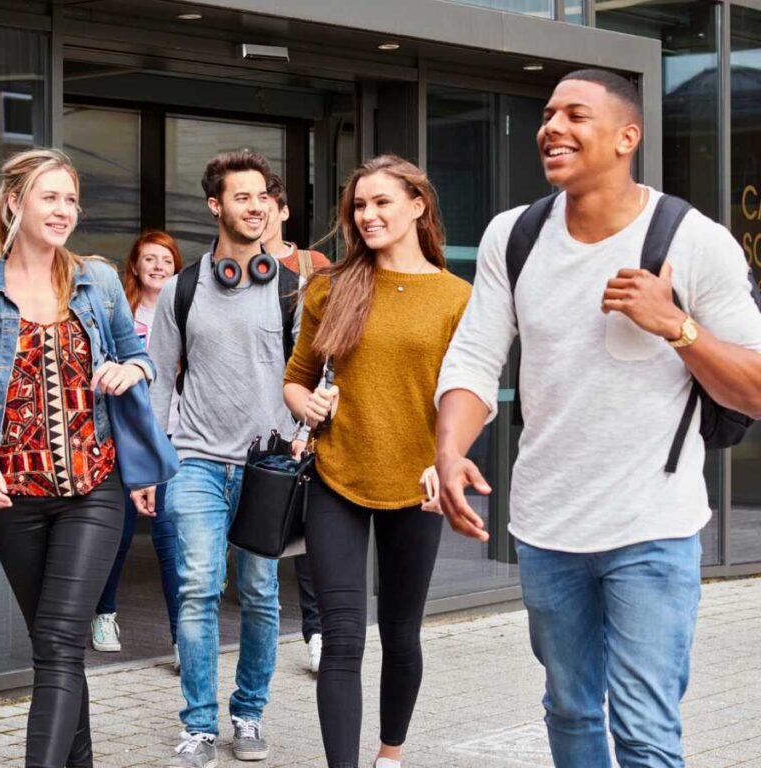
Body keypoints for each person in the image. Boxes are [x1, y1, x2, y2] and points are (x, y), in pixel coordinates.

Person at [435, 69, 761, 768]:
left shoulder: (693, 241)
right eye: (548, 114)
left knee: (644, 729)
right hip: (547, 526)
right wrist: (450, 448)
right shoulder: (513, 237)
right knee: (572, 709)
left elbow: (756, 387)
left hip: (653, 529)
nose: (551, 127)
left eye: (575, 115)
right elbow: (473, 358)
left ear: (625, 137)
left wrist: (678, 327)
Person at [0, 148, 155, 768]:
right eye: (50, 197)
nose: (64, 210)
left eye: (70, 199)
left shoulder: (97, 279)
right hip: (12, 496)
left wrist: (128, 368)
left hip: (94, 486)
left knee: (61, 642)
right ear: (16, 203)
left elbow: (140, 357)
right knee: (53, 648)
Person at [284, 154, 472, 768]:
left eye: (381, 203)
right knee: (341, 636)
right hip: (336, 476)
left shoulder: (456, 298)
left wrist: (448, 461)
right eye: (359, 206)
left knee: (400, 631)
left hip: (419, 482)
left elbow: (466, 396)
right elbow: (296, 379)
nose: (366, 216)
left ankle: (389, 756)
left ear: (419, 206)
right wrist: (305, 405)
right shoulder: (331, 286)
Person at [133, 149, 291, 768]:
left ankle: (247, 713)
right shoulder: (184, 288)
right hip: (194, 460)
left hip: (266, 470)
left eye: (263, 198)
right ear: (215, 205)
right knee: (199, 585)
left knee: (259, 591)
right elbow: (159, 385)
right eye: (242, 197)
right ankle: (198, 726)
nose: (254, 208)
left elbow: (307, 376)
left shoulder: (291, 289)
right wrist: (151, 462)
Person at [90, 231, 183, 671]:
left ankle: (182, 636)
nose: (158, 266)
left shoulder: (186, 310)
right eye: (150, 259)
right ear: (136, 266)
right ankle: (104, 614)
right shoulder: (120, 313)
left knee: (170, 541)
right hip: (123, 442)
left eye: (166, 259)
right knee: (118, 536)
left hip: (170, 438)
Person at [261, 173, 329, 674]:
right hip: (251, 408)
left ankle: (317, 629)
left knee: (304, 522)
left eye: (268, 202)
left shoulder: (315, 269)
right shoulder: (219, 270)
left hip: (299, 405)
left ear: (282, 211)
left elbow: (323, 350)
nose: (259, 210)